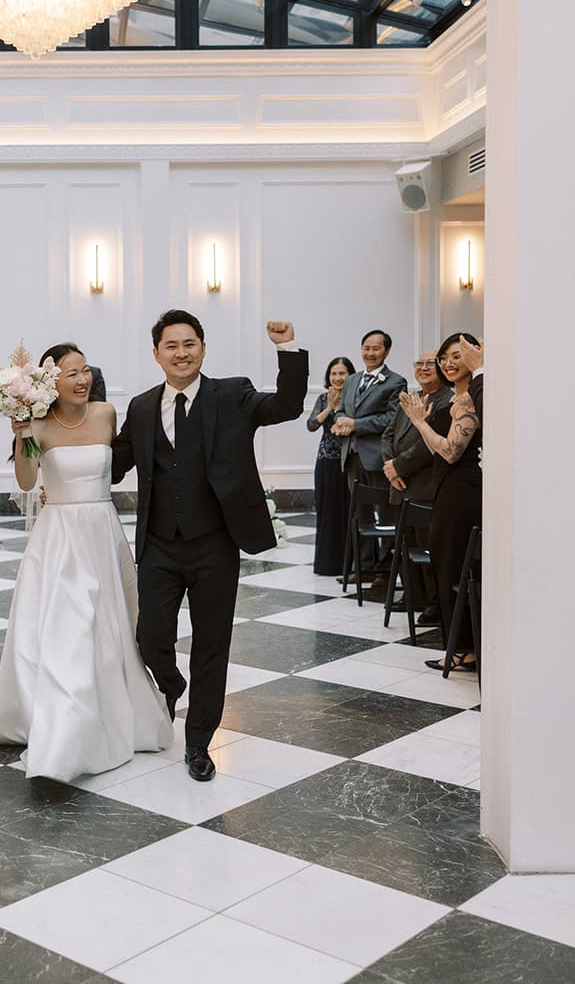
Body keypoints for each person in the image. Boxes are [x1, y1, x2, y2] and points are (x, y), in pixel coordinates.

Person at [112, 311, 307, 782]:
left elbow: (286, 405)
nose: (181, 353)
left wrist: (287, 350)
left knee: (211, 644)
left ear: (203, 348)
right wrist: (53, 454)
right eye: (171, 345)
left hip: (215, 544)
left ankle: (198, 742)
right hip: (159, 544)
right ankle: (171, 682)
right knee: (151, 637)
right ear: (156, 353)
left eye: (190, 343)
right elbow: (114, 462)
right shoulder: (141, 407)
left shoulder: (232, 394)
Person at [0, 344, 171, 780]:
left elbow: (121, 463)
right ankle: (64, 730)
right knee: (70, 628)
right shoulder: (39, 426)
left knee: (110, 626)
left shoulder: (106, 414)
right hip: (60, 539)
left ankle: (110, 711)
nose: (82, 379)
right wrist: (22, 433)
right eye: (71, 373)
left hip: (103, 530)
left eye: (86, 370)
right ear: (50, 382)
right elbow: (28, 481)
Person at [399, 333, 483, 669]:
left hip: (462, 492)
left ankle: (464, 648)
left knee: (453, 567)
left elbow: (450, 451)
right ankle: (459, 645)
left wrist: (419, 422)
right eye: (444, 357)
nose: (448, 363)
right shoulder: (458, 398)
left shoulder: (467, 401)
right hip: (450, 488)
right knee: (446, 563)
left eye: (457, 356)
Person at [382, 352, 453, 619]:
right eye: (418, 364)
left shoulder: (447, 400)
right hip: (400, 485)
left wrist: (398, 466)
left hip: (425, 485)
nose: (423, 368)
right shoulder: (409, 398)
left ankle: (434, 603)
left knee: (427, 548)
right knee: (404, 546)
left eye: (429, 364)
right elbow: (387, 435)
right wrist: (390, 468)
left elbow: (429, 445)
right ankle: (413, 594)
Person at [330, 329, 406, 579]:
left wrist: (356, 425)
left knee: (384, 513)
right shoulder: (352, 380)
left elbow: (391, 419)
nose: (370, 353)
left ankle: (385, 569)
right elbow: (342, 409)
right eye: (366, 348)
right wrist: (341, 421)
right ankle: (364, 566)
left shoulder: (395, 381)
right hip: (351, 455)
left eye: (375, 348)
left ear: (386, 351)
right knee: (359, 513)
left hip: (377, 457)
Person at [306, 356, 354, 576]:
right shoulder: (323, 398)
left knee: (347, 511)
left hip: (348, 461)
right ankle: (327, 564)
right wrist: (330, 407)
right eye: (333, 373)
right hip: (326, 461)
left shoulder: (355, 397)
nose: (337, 377)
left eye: (342, 373)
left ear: (350, 375)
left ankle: (349, 563)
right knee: (326, 512)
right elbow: (312, 425)